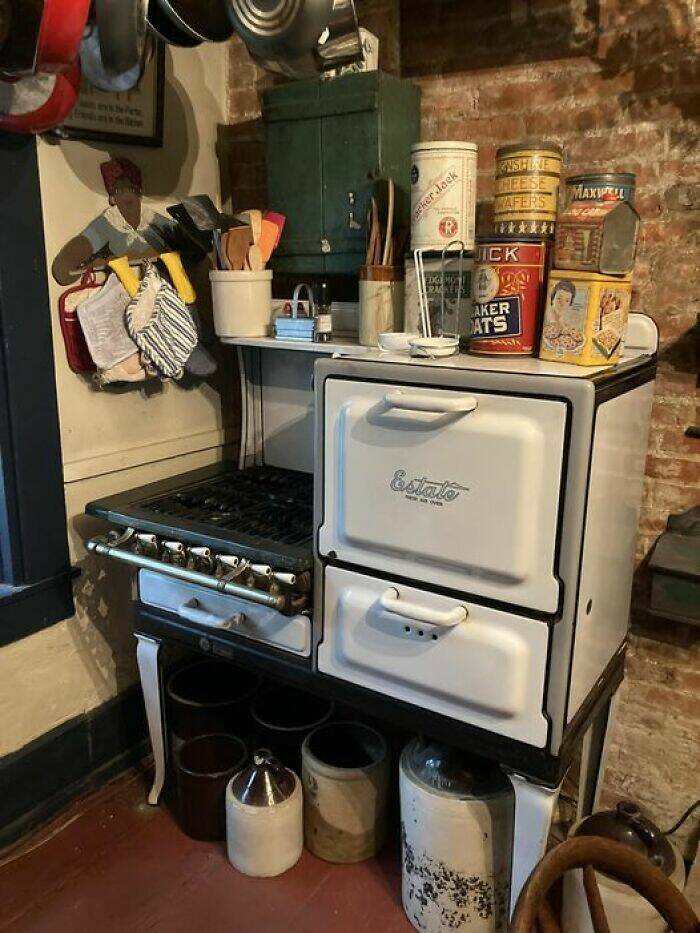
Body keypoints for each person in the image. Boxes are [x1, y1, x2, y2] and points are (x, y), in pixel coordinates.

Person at [52, 158, 177, 286]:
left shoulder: (150, 218)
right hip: (126, 287)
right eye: (120, 191)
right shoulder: (108, 223)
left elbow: (181, 237)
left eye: (133, 190)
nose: (128, 196)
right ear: (112, 198)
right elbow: (72, 261)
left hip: (164, 284)